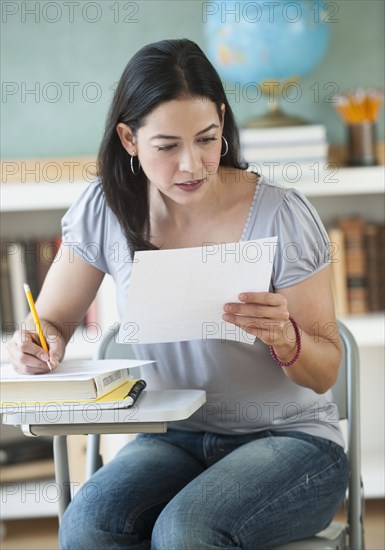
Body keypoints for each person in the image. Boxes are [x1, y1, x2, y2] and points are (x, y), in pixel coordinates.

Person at [7, 39, 349, 550]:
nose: (192, 165)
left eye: (207, 140)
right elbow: (51, 321)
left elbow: (325, 372)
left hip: (294, 441)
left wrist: (286, 338)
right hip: (172, 435)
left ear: (223, 125)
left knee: (185, 531)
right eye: (167, 146)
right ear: (129, 138)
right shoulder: (106, 209)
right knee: (86, 527)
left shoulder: (282, 214)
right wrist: (39, 340)